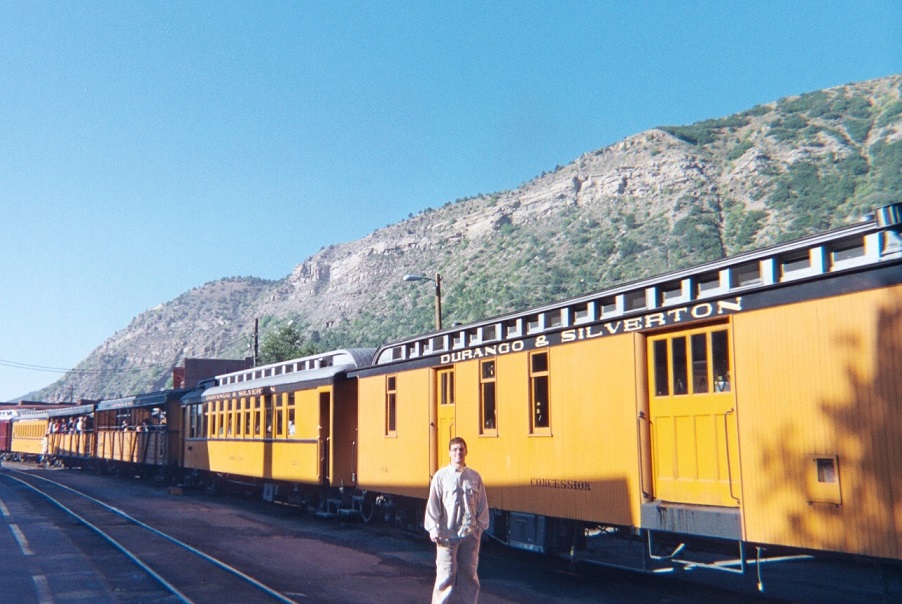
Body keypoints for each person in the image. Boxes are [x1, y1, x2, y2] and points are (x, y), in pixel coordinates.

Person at [424, 436, 489, 603]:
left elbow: (482, 503)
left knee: (470, 576)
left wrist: (479, 528)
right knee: (445, 576)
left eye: (461, 449)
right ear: (449, 453)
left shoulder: (474, 477)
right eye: (455, 450)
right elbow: (433, 503)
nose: (458, 453)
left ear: (466, 452)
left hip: (469, 535)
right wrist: (433, 528)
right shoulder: (441, 477)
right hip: (447, 534)